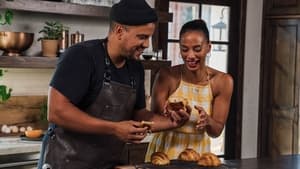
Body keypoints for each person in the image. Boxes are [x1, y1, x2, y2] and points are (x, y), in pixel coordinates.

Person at [37, 0, 190, 169]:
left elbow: (139, 115)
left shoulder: (135, 67)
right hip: (65, 163)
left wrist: (172, 123)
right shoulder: (81, 56)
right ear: (119, 31)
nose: (146, 45)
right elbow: (57, 111)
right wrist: (114, 128)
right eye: (142, 37)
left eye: (149, 37)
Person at [145, 19, 234, 161]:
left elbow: (216, 131)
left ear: (209, 47)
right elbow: (153, 121)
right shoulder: (166, 76)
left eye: (197, 49)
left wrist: (208, 120)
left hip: (198, 155)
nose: (190, 56)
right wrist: (168, 116)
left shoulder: (223, 82)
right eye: (184, 49)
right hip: (165, 152)